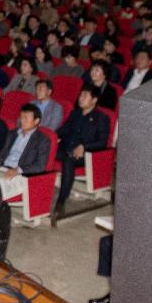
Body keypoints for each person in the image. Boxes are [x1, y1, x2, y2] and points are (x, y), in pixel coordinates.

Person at [0, 104, 51, 201]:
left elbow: (40, 166)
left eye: (26, 118)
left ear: (36, 121)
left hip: (20, 174)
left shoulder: (42, 140)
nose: (22, 120)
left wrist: (18, 170)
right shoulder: (12, 133)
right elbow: (2, 153)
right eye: (21, 117)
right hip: (1, 170)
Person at [53, 85, 112, 218]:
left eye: (85, 96)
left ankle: (61, 201)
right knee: (45, 152)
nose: (80, 98)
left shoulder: (102, 118)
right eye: (80, 95)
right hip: (66, 147)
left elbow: (102, 142)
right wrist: (52, 137)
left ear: (94, 100)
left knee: (69, 160)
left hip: (86, 155)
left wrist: (84, 147)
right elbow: (64, 130)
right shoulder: (75, 113)